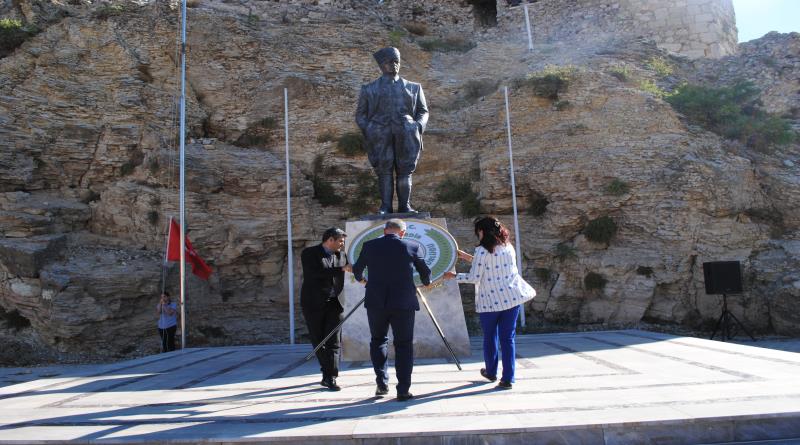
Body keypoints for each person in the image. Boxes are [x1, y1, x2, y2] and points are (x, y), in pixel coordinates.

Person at [444, 216, 536, 390]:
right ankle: (508, 378)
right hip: (511, 298)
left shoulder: (481, 251)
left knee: (490, 337)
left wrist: (453, 276)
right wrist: (467, 257)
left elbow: (474, 277)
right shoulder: (507, 247)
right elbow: (494, 264)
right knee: (508, 339)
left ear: (482, 231)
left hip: (490, 302)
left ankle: (491, 372)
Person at [352, 218, 431, 401]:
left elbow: (357, 270)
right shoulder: (411, 246)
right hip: (403, 302)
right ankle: (403, 389)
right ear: (402, 232)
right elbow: (425, 271)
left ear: (385, 230)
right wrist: (426, 283)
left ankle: (381, 383)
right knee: (404, 344)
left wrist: (364, 281)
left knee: (378, 340)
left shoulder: (369, 245)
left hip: (376, 301)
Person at [355, 46, 429, 215]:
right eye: (389, 62)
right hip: (380, 134)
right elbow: (360, 115)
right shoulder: (368, 89)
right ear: (381, 65)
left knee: (405, 170)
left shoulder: (414, 88)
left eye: (396, 62)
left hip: (407, 133)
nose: (394, 65)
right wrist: (369, 129)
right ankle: (385, 207)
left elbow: (423, 111)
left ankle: (405, 206)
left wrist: (417, 126)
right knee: (384, 170)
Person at [300, 227, 351, 391]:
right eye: (340, 241)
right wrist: (341, 269)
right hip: (313, 303)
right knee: (319, 340)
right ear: (330, 240)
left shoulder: (341, 256)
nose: (342, 245)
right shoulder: (309, 253)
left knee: (334, 341)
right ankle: (326, 372)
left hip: (335, 304)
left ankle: (331, 377)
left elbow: (353, 270)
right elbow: (314, 273)